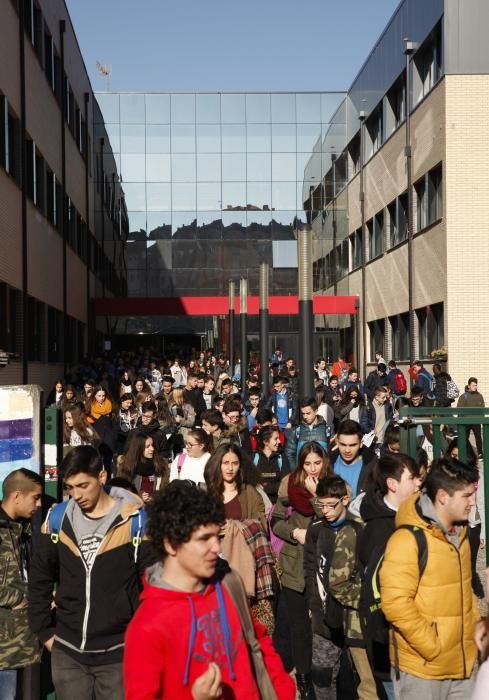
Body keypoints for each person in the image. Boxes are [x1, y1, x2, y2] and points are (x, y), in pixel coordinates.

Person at [123, 481, 295, 699]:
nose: (216, 546)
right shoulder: (145, 627)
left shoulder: (228, 584)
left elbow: (258, 641)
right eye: (204, 539)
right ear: (170, 544)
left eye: (216, 535)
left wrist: (284, 691)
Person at [28, 446, 154, 700]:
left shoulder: (135, 522)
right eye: (70, 487)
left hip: (119, 651)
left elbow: (154, 583)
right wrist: (44, 632)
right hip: (68, 651)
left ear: (102, 477)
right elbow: (39, 579)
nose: (76, 495)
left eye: (83, 485)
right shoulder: (57, 520)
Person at [379, 457, 480, 699]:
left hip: (464, 666)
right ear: (443, 497)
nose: (473, 501)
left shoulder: (462, 534)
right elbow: (395, 603)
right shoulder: (407, 540)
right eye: (466, 495)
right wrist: (433, 646)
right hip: (422, 671)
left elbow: (464, 592)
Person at [358, 454, 423, 699]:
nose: (418, 483)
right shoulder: (379, 530)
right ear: (392, 484)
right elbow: (375, 594)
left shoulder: (419, 517)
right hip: (391, 645)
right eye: (412, 478)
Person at [272, 442, 331, 699]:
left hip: (322, 562)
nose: (312, 469)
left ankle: (325, 677)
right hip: (294, 560)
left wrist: (317, 496)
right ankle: (304, 681)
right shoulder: (289, 484)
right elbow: (275, 521)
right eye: (307, 464)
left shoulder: (332, 485)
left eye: (317, 463)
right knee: (298, 626)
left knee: (322, 623)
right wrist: (294, 532)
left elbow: (331, 518)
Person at [304, 474, 354, 700]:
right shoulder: (316, 530)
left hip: (352, 618)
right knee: (322, 676)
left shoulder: (357, 529)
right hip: (323, 615)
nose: (325, 510)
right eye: (320, 504)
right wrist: (313, 607)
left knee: (356, 676)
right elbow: (310, 568)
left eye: (330, 504)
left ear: (344, 500)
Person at [0, 469, 43, 700]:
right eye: (35, 497)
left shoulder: (24, 529)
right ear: (17, 495)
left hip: (22, 642)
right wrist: (16, 598)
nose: (38, 504)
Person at [204, 444, 265, 527]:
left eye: (235, 463)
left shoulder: (249, 492)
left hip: (242, 539)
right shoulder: (205, 493)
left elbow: (262, 525)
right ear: (217, 464)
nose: (230, 468)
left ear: (240, 466)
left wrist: (235, 527)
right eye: (226, 463)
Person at [329, 419, 377, 498]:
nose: (347, 450)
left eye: (352, 445)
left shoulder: (373, 465)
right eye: (343, 445)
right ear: (337, 442)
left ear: (361, 443)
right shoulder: (328, 463)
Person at [116, 433, 169, 502]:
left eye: (152, 445)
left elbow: (166, 489)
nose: (152, 449)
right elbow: (120, 491)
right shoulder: (126, 468)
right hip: (133, 508)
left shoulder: (160, 465)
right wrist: (138, 496)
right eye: (147, 447)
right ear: (138, 448)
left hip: (155, 508)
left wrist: (156, 496)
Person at [285, 396, 331, 469]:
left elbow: (332, 454)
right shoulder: (297, 430)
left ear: (316, 411)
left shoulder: (327, 430)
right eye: (303, 413)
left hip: (323, 476)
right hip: (302, 476)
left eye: (308, 413)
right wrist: (295, 472)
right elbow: (289, 453)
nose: (305, 416)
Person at [253, 424, 290, 504]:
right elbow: (249, 484)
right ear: (266, 442)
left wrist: (264, 487)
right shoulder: (254, 458)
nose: (279, 441)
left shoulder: (282, 457)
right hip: (258, 503)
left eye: (278, 438)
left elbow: (285, 484)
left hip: (277, 505)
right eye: (276, 439)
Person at [457, 377, 485, 458]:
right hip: (466, 421)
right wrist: (461, 421)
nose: (474, 387)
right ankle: (465, 453)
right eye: (473, 385)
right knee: (465, 437)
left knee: (478, 437)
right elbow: (459, 409)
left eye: (476, 385)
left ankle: (480, 453)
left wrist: (480, 418)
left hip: (476, 421)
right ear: (469, 386)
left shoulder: (480, 396)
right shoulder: (464, 396)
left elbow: (482, 408)